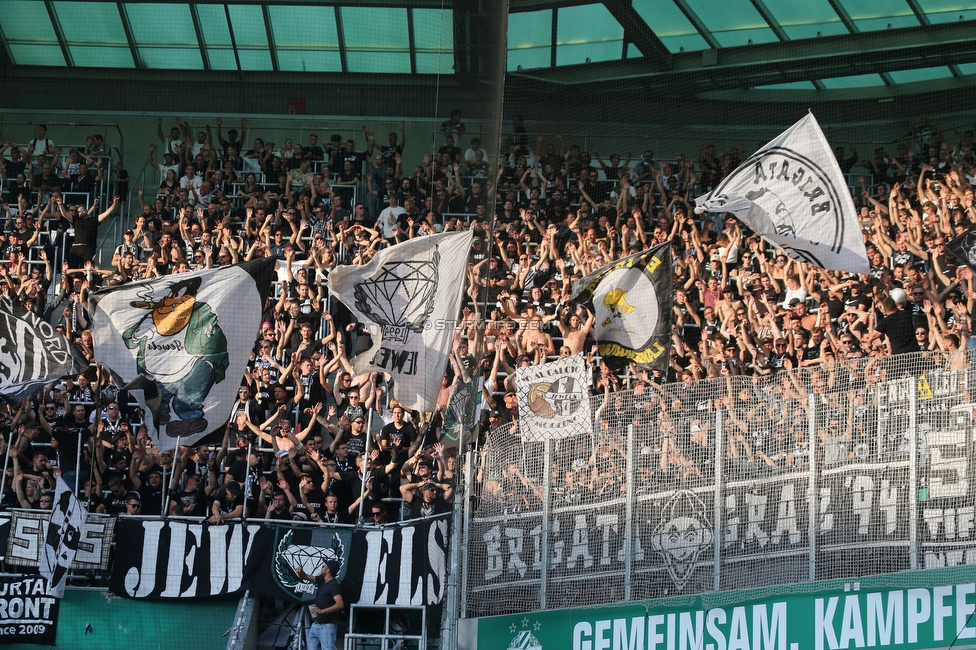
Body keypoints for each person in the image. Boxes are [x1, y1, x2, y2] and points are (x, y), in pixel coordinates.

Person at [293, 559, 344, 650]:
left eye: (323, 566)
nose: (322, 568)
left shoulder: (333, 585)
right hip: (316, 624)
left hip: (327, 626)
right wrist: (300, 572)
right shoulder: (321, 580)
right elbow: (305, 577)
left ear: (328, 570)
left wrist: (321, 611)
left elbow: (340, 604)